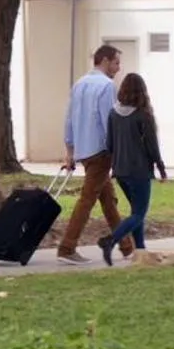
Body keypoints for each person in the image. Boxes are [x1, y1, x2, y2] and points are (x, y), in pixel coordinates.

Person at [57, 44, 133, 264]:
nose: (118, 68)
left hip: (84, 149)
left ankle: (127, 247)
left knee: (108, 200)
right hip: (101, 151)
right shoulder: (107, 86)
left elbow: (69, 119)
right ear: (106, 61)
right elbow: (110, 121)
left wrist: (70, 150)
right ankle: (67, 247)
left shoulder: (79, 84)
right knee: (87, 200)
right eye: (116, 62)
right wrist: (119, 152)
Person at [99, 73, 168, 265]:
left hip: (120, 170)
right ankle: (111, 240)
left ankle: (140, 250)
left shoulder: (113, 113)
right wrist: (160, 168)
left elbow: (109, 144)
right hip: (139, 170)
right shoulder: (143, 114)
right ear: (142, 91)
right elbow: (152, 145)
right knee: (139, 213)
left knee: (135, 211)